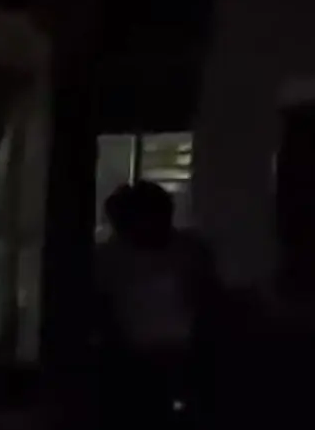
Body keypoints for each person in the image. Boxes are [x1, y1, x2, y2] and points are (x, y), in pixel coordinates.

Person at [95, 181, 221, 426]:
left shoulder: (190, 252)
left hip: (183, 359)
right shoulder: (108, 259)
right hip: (131, 363)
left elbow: (208, 300)